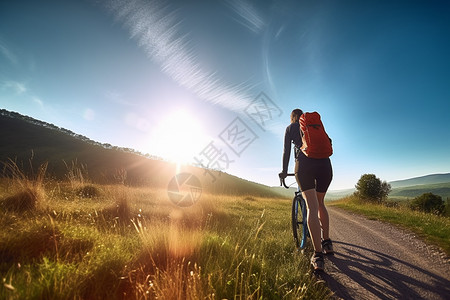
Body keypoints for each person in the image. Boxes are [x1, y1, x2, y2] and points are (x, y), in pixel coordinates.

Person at [280, 108, 334, 271]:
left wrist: (284, 171)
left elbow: (286, 152)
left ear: (292, 118)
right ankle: (327, 243)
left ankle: (318, 255)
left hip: (304, 164)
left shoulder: (290, 128)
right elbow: (329, 142)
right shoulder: (315, 126)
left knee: (311, 206)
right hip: (325, 164)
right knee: (320, 204)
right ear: (303, 118)